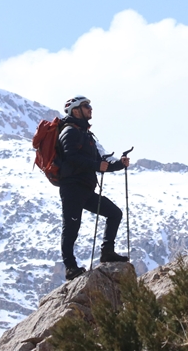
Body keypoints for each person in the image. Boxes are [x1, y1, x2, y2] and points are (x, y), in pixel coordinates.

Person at [57, 96, 130, 280]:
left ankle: (107, 252)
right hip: (72, 188)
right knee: (71, 226)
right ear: (75, 111)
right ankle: (70, 267)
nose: (90, 109)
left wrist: (119, 164)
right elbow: (71, 157)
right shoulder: (69, 132)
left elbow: (98, 162)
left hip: (86, 189)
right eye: (86, 106)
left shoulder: (86, 134)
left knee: (115, 213)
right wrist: (97, 166)